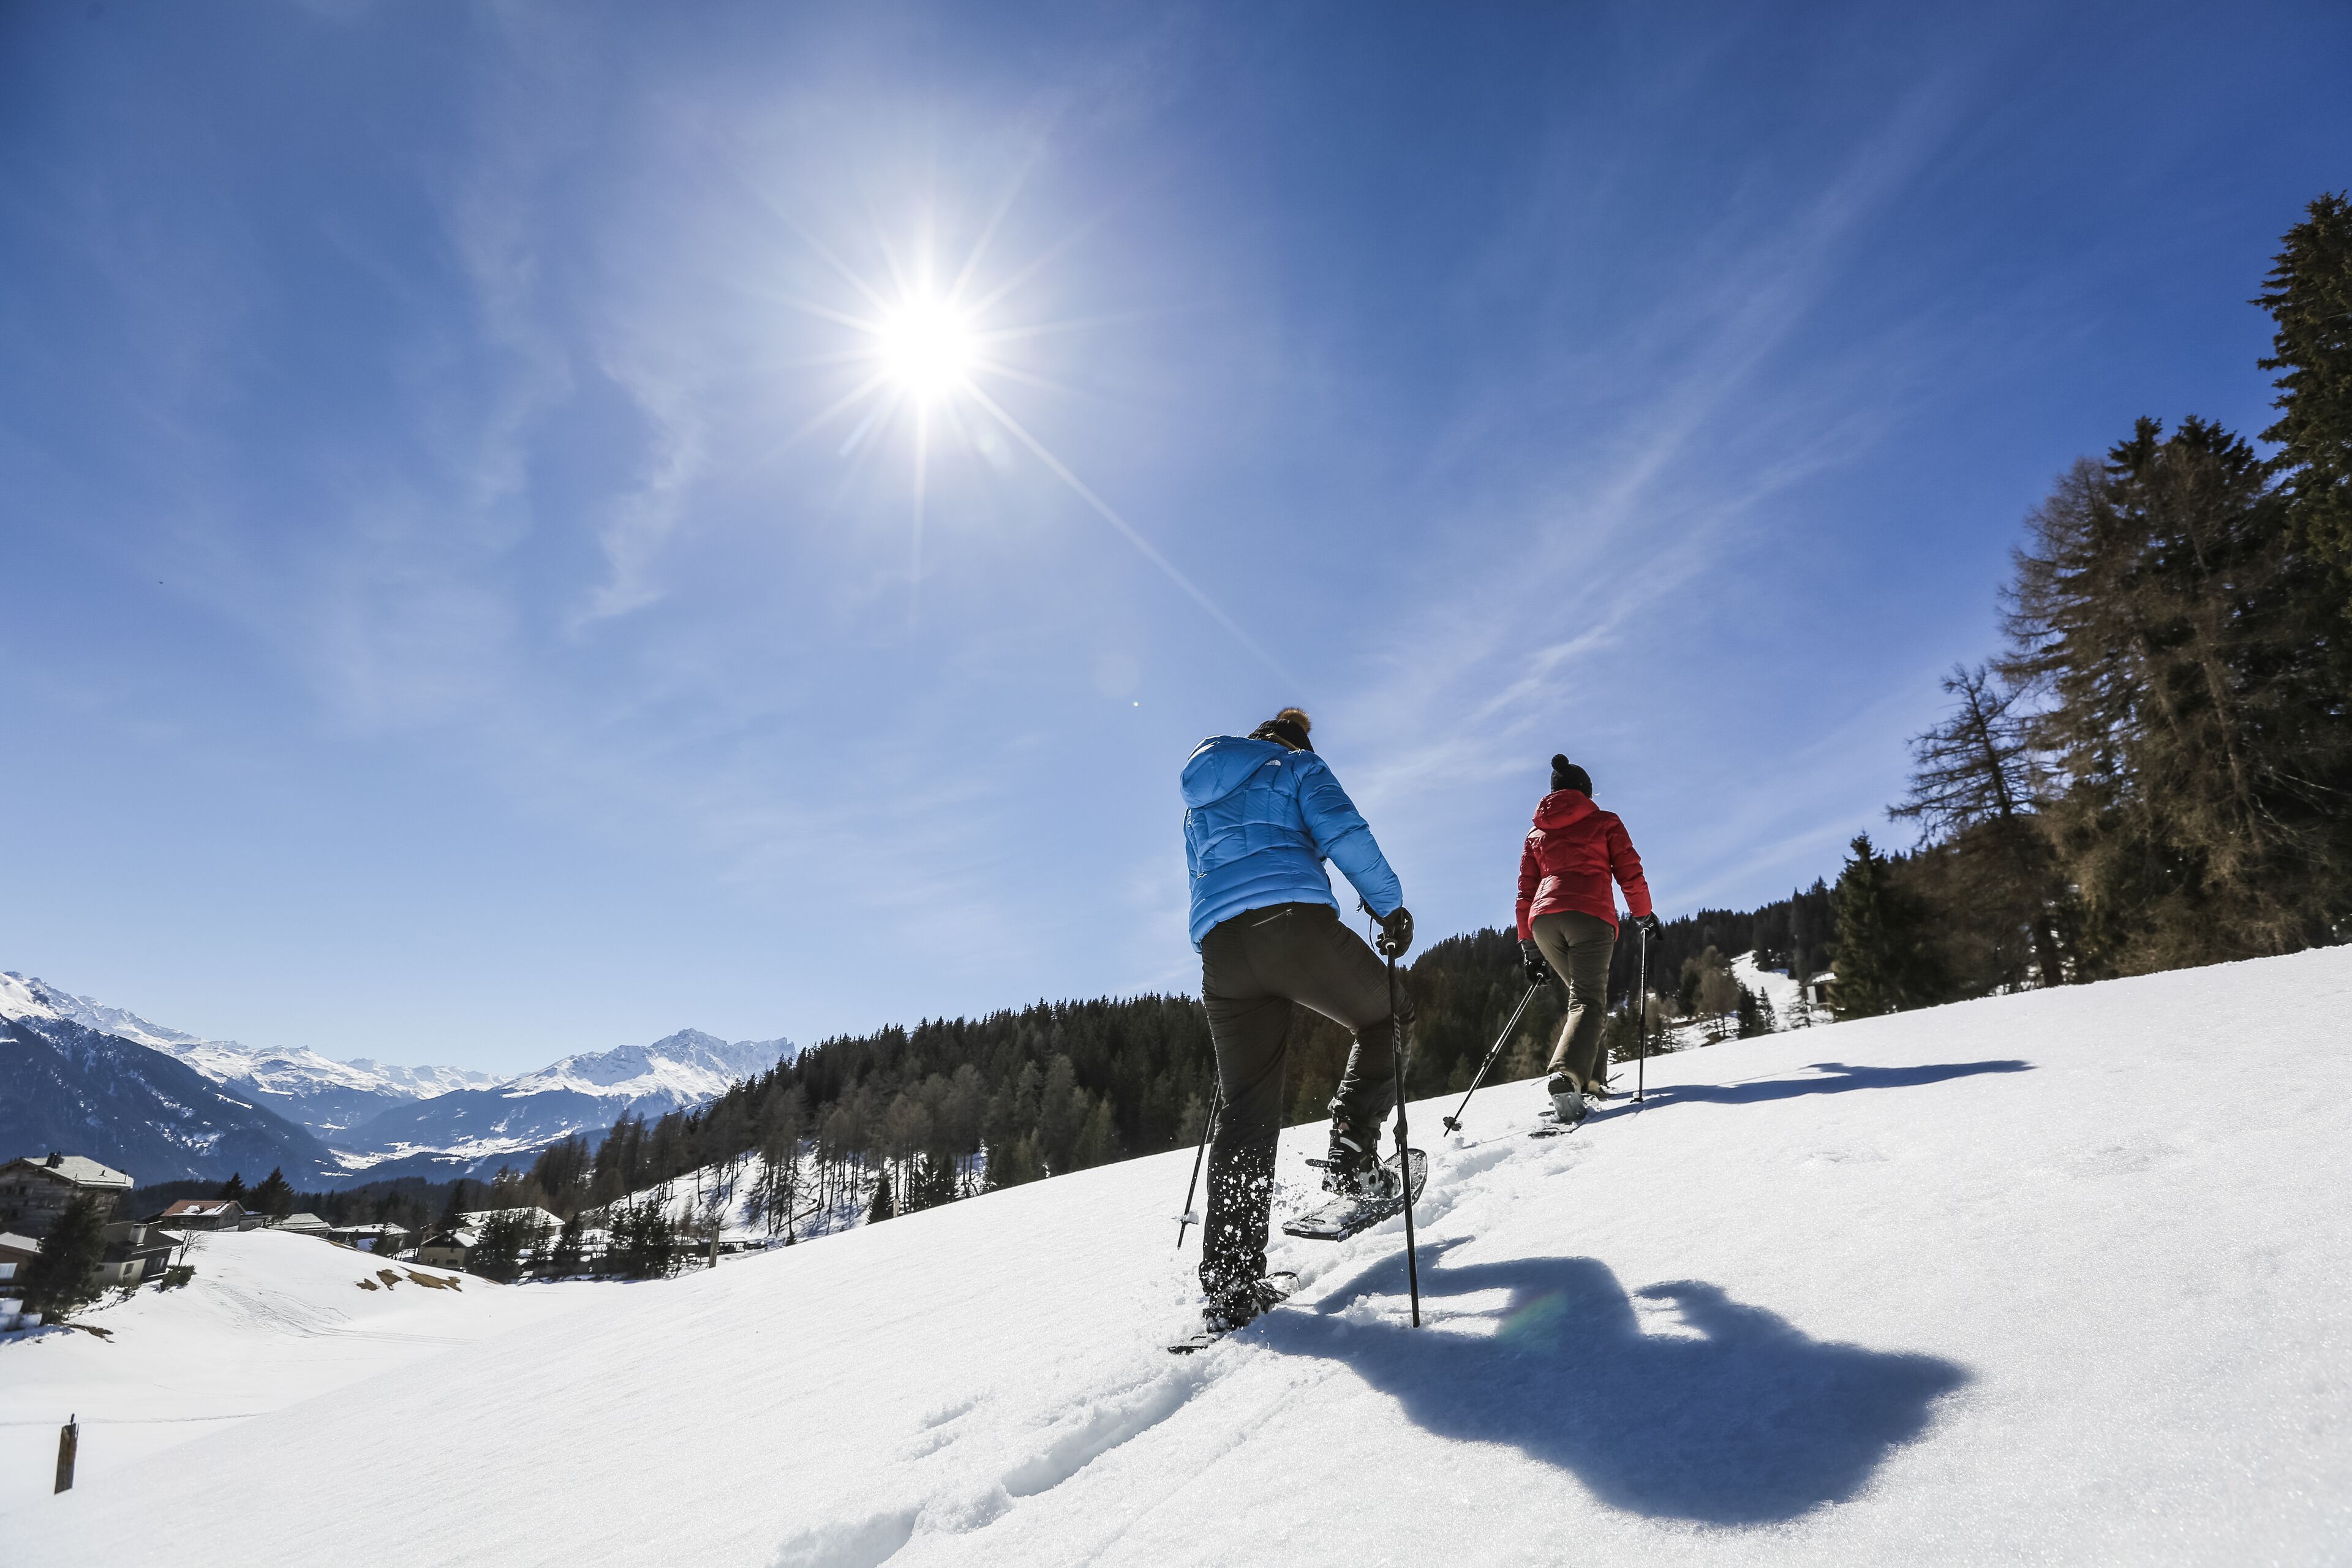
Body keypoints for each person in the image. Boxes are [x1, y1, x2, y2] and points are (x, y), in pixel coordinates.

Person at [1182, 706, 1414, 1332]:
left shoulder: (1199, 800)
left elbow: (1200, 875)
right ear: (1294, 742)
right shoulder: (1298, 766)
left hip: (1224, 954)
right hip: (1292, 924)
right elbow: (1344, 833)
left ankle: (1231, 1284)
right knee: (1389, 1014)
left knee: (1247, 1114)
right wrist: (1391, 908)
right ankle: (1353, 1152)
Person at [1516, 753, 1657, 1128]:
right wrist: (1643, 914)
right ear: (1585, 792)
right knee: (1588, 1001)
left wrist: (1530, 948)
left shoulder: (1536, 834)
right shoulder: (1604, 821)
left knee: (1585, 999)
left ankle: (1593, 1081)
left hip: (1543, 922)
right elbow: (1630, 871)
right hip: (1589, 916)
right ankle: (1567, 1075)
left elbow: (1525, 892)